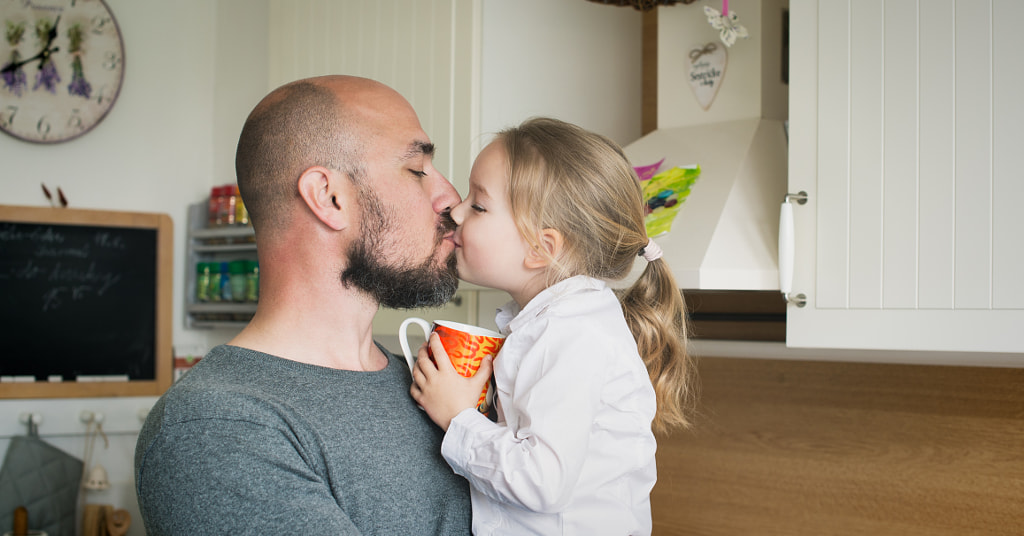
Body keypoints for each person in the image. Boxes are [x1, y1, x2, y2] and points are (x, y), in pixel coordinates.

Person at [135, 75, 473, 535]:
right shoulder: (215, 428)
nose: (452, 200)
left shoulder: (433, 388)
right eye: (418, 170)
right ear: (328, 197)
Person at [410, 117, 694, 536]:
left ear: (541, 249)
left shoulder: (571, 335)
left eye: (479, 205)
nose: (455, 210)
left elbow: (540, 482)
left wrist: (457, 418)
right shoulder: (559, 323)